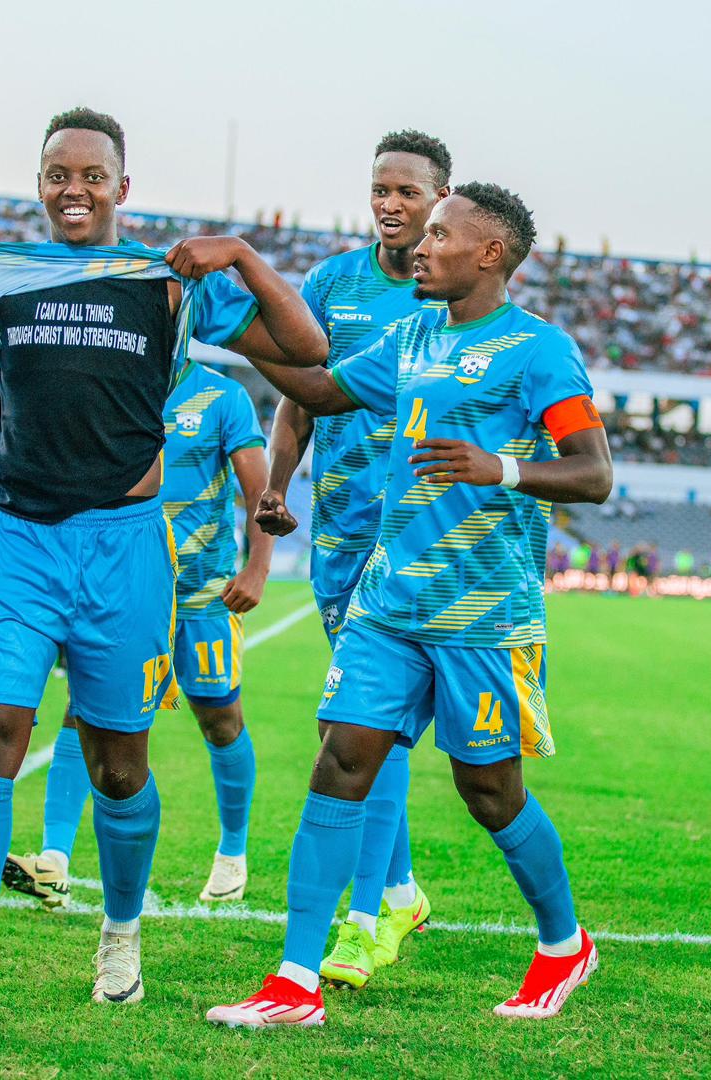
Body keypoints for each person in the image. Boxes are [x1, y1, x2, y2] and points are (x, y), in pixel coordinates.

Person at [0, 106, 326, 1039]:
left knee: (119, 766)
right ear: (39, 184)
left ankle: (120, 933)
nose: (74, 189)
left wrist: (240, 254)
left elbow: (306, 347)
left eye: (91, 175)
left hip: (125, 550)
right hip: (16, 543)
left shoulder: (168, 282)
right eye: (57, 174)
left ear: (122, 186)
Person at [207, 183, 612, 1028]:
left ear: (490, 253)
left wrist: (501, 468)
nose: (421, 247)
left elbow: (594, 473)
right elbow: (320, 391)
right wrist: (228, 324)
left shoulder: (540, 351)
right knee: (340, 762)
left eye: (439, 235)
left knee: (490, 792)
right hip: (388, 606)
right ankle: (295, 981)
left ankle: (564, 944)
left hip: (483, 617)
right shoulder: (413, 334)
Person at [254, 130, 451, 988]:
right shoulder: (332, 284)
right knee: (359, 726)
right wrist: (275, 488)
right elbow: (298, 399)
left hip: (416, 535)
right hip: (338, 531)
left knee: (372, 721)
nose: (390, 204)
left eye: (408, 191)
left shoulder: (454, 293)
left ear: (441, 199)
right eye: (380, 189)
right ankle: (400, 891)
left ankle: (367, 917)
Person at [5, 358, 273, 907]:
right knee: (82, 711)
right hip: (123, 588)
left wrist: (257, 567)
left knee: (220, 719)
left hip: (203, 593)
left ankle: (232, 853)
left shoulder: (223, 396)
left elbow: (260, 491)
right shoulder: (111, 380)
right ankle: (54, 859)